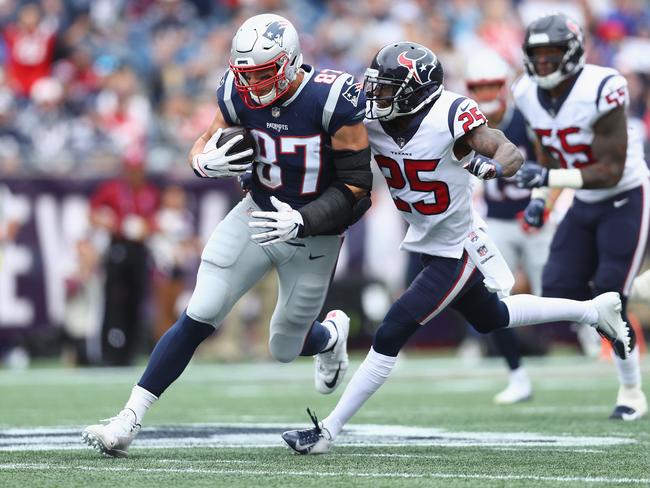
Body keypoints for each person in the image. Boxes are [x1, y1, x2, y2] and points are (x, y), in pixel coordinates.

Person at [281, 41, 631, 455]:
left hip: (457, 248)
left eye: (388, 89)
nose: (376, 96)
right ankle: (595, 310)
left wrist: (494, 163)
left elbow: (504, 148)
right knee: (493, 317)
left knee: (392, 329)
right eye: (376, 86)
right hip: (431, 239)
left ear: (415, 91)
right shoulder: (372, 121)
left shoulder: (449, 113)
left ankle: (328, 431)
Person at [81, 13, 373, 457]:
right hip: (256, 212)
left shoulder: (333, 98)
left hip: (315, 233)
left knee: (283, 346)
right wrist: (203, 162)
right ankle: (128, 419)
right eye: (246, 74)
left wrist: (305, 219)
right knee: (201, 310)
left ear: (291, 62)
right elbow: (203, 140)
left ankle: (329, 337)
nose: (253, 85)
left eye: (263, 73)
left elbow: (357, 186)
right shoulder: (236, 90)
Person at [512, 13, 648, 421]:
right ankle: (637, 285)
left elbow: (608, 168)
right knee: (556, 287)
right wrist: (543, 199)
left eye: (552, 54)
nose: (544, 64)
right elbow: (548, 153)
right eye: (537, 55)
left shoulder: (603, 87)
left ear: (572, 54)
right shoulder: (526, 92)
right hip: (583, 200)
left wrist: (550, 178)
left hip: (625, 195)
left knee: (610, 295)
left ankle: (631, 392)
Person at [464, 50, 554, 404]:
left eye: (491, 85)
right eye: (479, 86)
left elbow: (552, 164)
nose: (486, 92)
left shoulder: (526, 120)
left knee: (562, 289)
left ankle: (600, 343)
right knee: (495, 298)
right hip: (497, 220)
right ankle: (517, 375)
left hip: (535, 217)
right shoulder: (466, 124)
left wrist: (543, 204)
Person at [89, 151, 161, 367]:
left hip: (139, 249)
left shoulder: (149, 191)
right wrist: (113, 224)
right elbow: (93, 213)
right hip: (118, 247)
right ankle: (110, 351)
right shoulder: (112, 189)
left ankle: (130, 351)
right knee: (114, 300)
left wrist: (146, 228)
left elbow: (155, 220)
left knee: (136, 299)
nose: (136, 174)